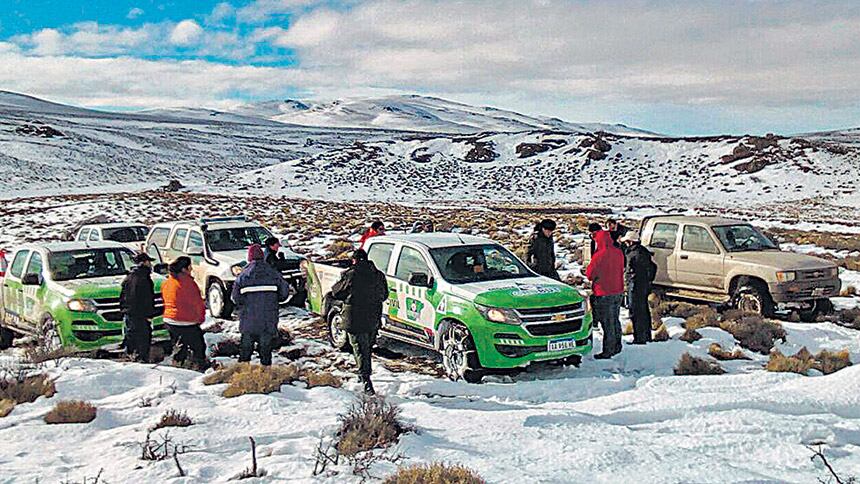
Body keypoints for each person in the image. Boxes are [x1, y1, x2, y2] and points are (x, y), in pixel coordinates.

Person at [330, 249, 389, 394]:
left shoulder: (350, 274)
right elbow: (384, 295)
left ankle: (365, 379)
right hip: (373, 315)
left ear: (354, 260)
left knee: (359, 347)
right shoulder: (378, 274)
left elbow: (336, 292)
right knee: (367, 346)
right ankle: (364, 373)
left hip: (354, 316)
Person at [231, 244, 291, 366]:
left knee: (246, 349)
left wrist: (244, 305)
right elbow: (284, 293)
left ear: (249, 258)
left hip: (248, 319)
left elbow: (235, 297)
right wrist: (273, 300)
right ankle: (265, 372)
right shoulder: (273, 273)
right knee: (265, 350)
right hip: (268, 319)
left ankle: (244, 373)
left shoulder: (242, 276)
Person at [161, 256, 208, 370]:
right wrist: (201, 318)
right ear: (184, 269)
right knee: (199, 347)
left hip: (170, 320)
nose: (191, 269)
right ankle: (199, 368)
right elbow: (198, 303)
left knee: (180, 346)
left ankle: (178, 366)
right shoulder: (189, 283)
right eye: (190, 267)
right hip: (186, 320)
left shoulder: (167, 282)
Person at [586, 230, 625, 359]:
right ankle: (617, 345)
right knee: (615, 320)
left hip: (604, 291)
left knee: (607, 323)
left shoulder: (599, 255)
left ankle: (608, 350)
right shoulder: (618, 252)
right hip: (618, 290)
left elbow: (590, 274)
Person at [119, 253, 159, 362]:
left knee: (131, 338)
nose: (150, 264)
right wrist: (149, 314)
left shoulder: (129, 277)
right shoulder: (144, 279)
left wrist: (123, 309)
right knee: (143, 340)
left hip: (129, 313)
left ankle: (131, 357)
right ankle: (141, 361)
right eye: (149, 262)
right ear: (144, 262)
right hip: (140, 315)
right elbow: (147, 299)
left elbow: (122, 297)